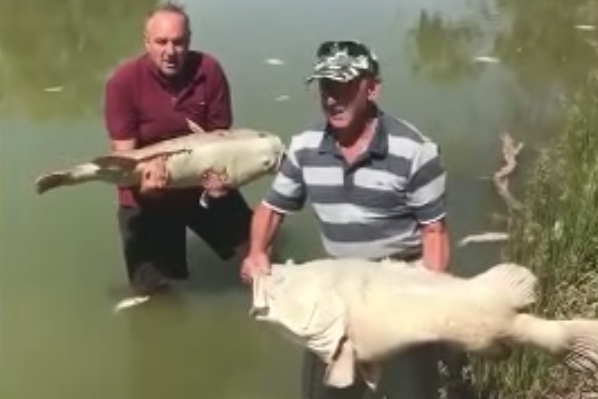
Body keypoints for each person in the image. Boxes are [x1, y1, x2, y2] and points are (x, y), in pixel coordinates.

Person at [240, 40, 450, 399]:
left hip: (397, 284)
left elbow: (435, 232)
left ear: (372, 88)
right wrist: (258, 251)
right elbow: (272, 209)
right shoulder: (306, 146)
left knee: (411, 392)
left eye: (343, 87)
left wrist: (429, 296)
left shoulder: (416, 151)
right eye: (326, 88)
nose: (332, 99)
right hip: (335, 288)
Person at [102, 2, 252, 299]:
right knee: (153, 295)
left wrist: (223, 182)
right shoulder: (123, 81)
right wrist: (144, 185)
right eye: (161, 42)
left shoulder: (208, 70)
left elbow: (221, 142)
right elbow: (125, 161)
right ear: (146, 42)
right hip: (147, 193)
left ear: (189, 40)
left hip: (202, 183)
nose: (170, 51)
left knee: (257, 250)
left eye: (178, 42)